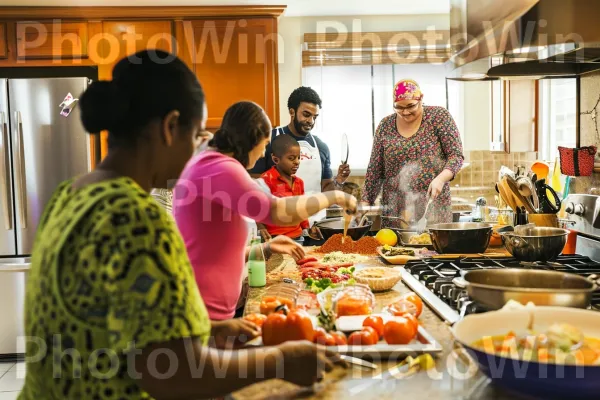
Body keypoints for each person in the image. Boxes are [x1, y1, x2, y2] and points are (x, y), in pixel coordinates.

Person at [19, 50, 345, 400]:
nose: (196, 151)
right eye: (195, 136)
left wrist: (208, 329)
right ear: (170, 126)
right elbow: (172, 373)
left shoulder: (67, 195)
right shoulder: (138, 218)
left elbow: (117, 327)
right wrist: (279, 360)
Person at [173, 100, 357, 321]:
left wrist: (265, 247)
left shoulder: (208, 162)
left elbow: (210, 248)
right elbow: (278, 211)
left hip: (206, 307)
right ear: (252, 139)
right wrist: (335, 196)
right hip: (204, 311)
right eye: (264, 144)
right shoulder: (221, 168)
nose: (262, 154)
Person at [360, 79, 464, 227]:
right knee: (393, 249)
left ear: (421, 98)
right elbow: (375, 169)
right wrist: (365, 202)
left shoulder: (439, 117)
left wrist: (441, 179)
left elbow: (456, 155)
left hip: (432, 208)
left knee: (432, 248)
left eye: (410, 106)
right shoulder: (385, 125)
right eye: (399, 107)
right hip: (395, 211)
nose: (405, 112)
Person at [250, 86, 351, 195]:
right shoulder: (268, 140)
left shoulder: (321, 147)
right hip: (278, 210)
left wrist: (339, 180)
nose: (311, 121)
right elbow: (253, 181)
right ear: (292, 112)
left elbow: (325, 190)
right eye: (306, 115)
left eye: (315, 117)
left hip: (314, 210)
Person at [255, 134, 308, 243]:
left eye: (298, 157)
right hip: (274, 238)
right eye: (291, 158)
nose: (297, 162)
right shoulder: (266, 180)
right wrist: (261, 227)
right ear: (275, 159)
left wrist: (307, 229)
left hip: (298, 238)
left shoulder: (299, 182)